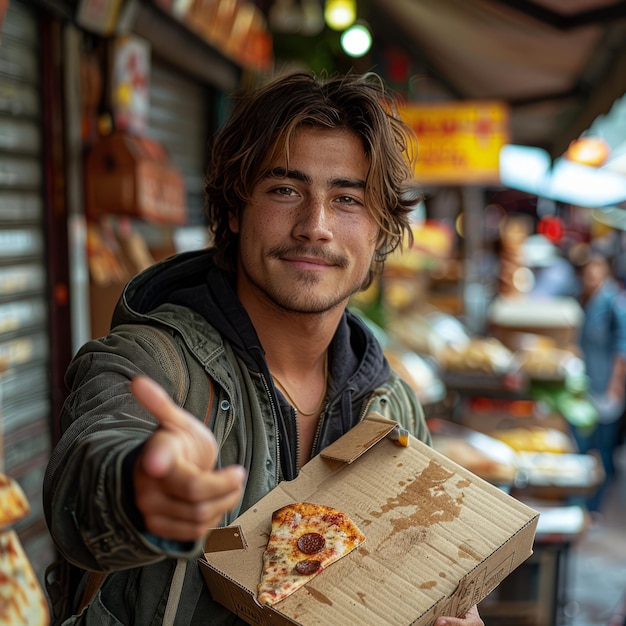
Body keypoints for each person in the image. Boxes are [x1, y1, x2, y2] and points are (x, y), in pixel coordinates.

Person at [43, 72, 483, 626]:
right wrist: (141, 491)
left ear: (379, 235)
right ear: (233, 210)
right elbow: (83, 489)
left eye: (347, 199)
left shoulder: (392, 409)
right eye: (284, 190)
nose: (314, 226)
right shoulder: (151, 363)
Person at [574, 251, 626, 513]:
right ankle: (585, 504)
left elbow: (622, 348)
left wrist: (615, 386)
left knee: (602, 450)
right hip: (589, 385)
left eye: (596, 269)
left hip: (606, 387)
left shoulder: (614, 302)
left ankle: (594, 507)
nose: (591, 275)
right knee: (586, 446)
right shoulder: (589, 300)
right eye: (587, 270)